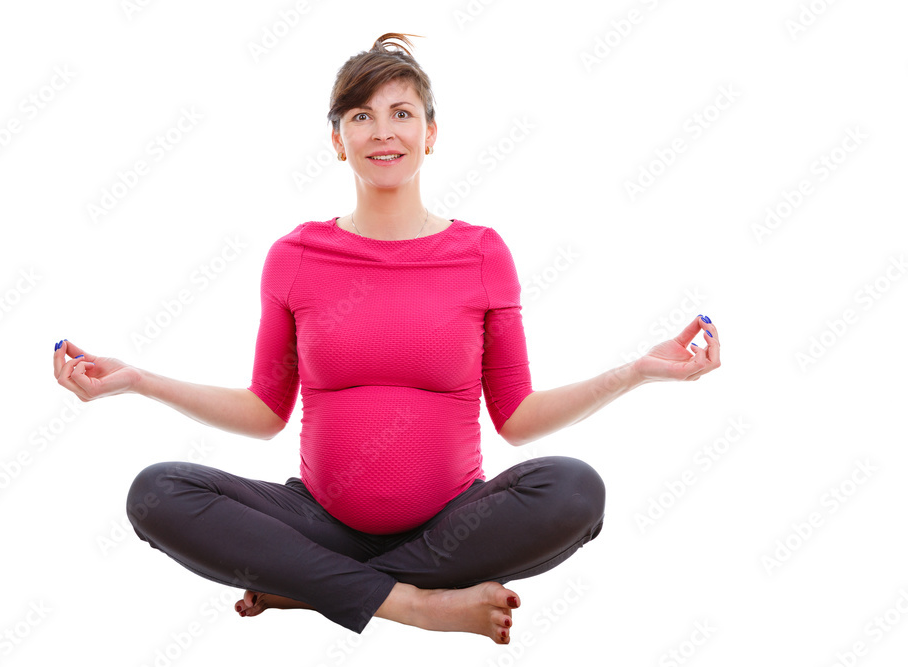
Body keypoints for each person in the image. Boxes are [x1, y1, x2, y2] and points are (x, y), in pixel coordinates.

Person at [51, 32, 721, 645]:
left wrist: (636, 371)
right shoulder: (296, 255)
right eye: (361, 116)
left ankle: (312, 589)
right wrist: (139, 380)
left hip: (454, 528)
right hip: (318, 519)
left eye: (402, 113)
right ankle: (413, 603)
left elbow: (517, 419)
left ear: (431, 134)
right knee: (157, 492)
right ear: (338, 139)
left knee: (576, 489)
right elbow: (264, 411)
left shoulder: (483, 254)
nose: (383, 131)